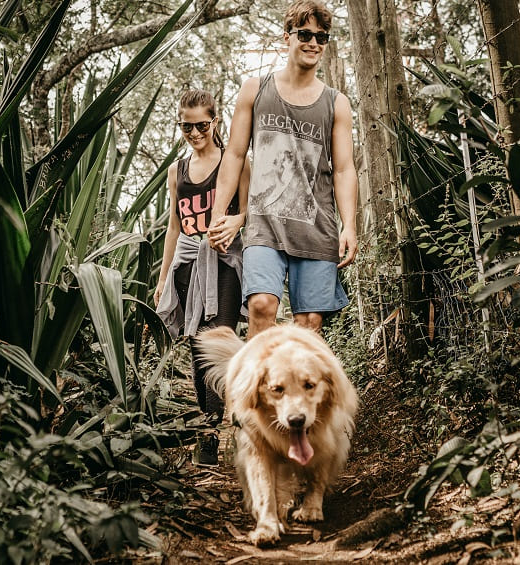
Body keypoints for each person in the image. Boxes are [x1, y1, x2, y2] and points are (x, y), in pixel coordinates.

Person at [207, 0, 358, 339]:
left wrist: (349, 226)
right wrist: (219, 213)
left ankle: (298, 393)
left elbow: (344, 170)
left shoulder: (337, 103)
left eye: (322, 37)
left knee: (309, 327)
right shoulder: (255, 89)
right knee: (261, 306)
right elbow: (233, 155)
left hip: (317, 229)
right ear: (286, 37)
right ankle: (253, 392)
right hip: (265, 226)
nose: (313, 43)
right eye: (305, 34)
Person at [155, 89, 250, 466]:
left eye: (201, 125)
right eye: (186, 126)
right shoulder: (175, 172)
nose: (194, 133)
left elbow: (249, 213)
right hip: (187, 263)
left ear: (215, 121)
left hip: (224, 262)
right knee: (196, 348)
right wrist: (163, 278)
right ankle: (208, 432)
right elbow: (173, 228)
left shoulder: (236, 162)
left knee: (218, 342)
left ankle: (216, 433)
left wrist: (236, 226)